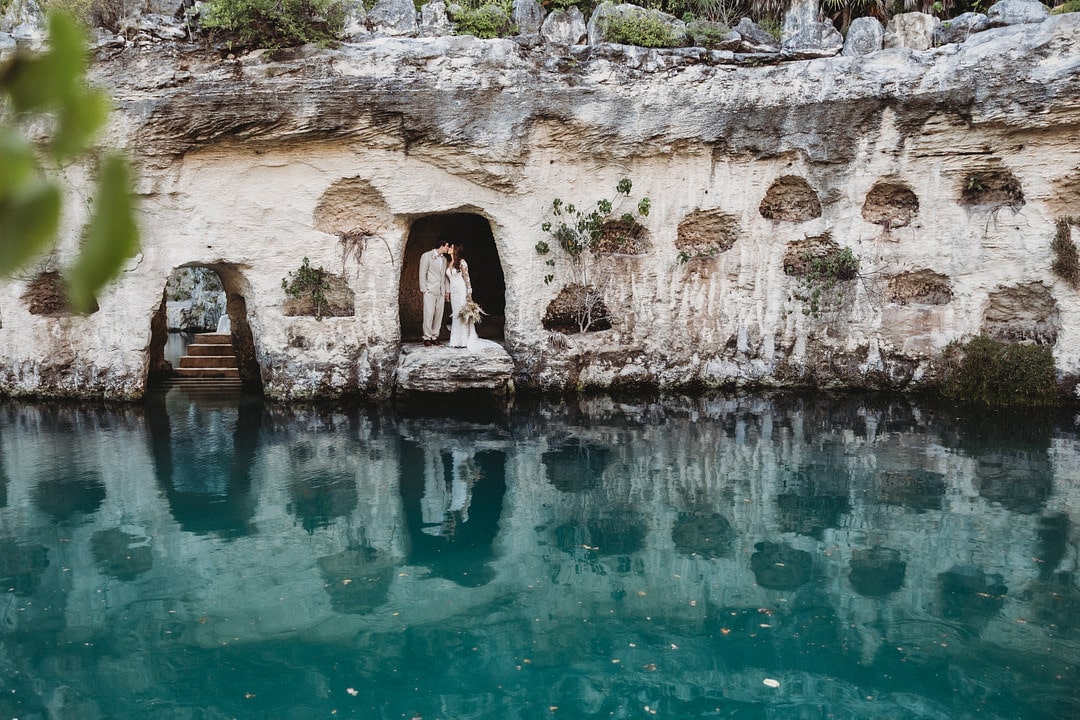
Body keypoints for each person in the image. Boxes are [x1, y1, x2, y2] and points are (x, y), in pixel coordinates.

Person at [446, 243, 480, 350]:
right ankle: (456, 340)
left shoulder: (461, 262)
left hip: (461, 290)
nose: (449, 248)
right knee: (455, 314)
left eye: (451, 247)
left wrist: (469, 292)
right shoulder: (449, 262)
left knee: (462, 314)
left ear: (455, 250)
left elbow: (467, 277)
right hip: (453, 290)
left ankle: (465, 340)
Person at [419, 241, 450, 346]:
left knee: (438, 315)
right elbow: (422, 273)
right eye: (447, 246)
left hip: (441, 290)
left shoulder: (444, 259)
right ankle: (426, 337)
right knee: (428, 314)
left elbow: (444, 276)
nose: (448, 248)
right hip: (430, 290)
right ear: (442, 246)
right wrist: (424, 289)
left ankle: (435, 336)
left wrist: (447, 291)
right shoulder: (426, 256)